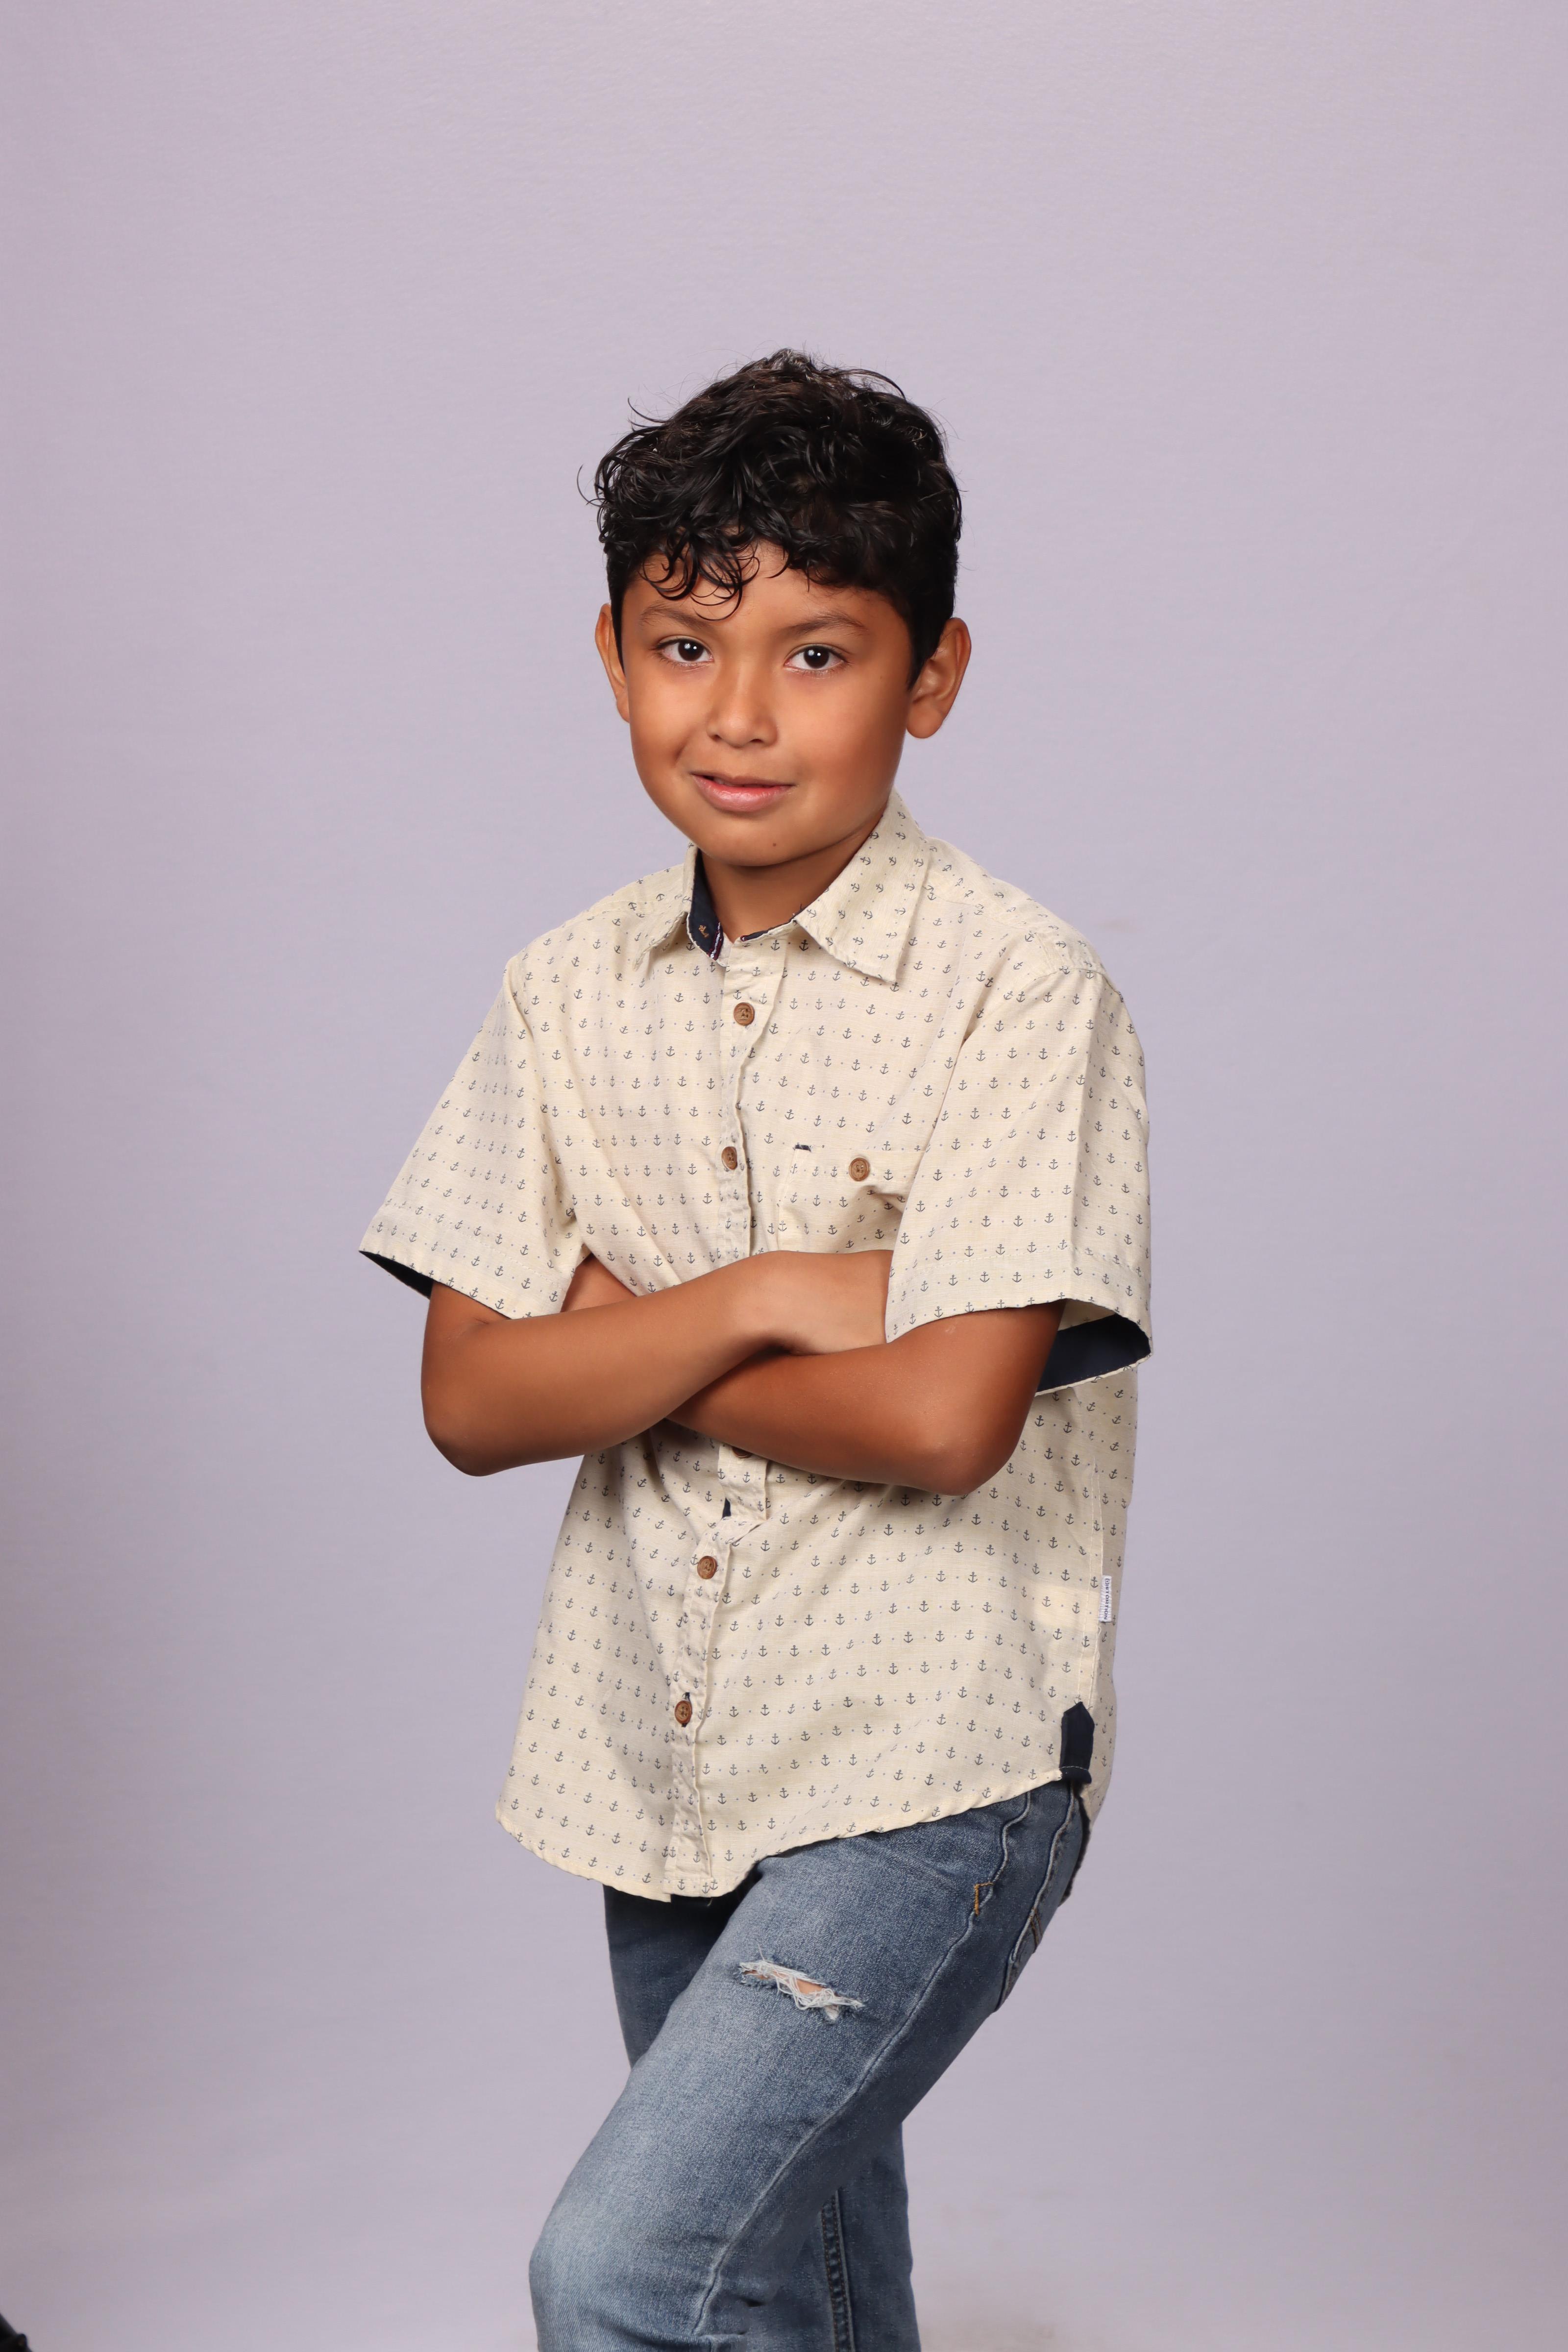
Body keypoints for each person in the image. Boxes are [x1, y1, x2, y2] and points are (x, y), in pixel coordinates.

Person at [362, 350, 1152, 2351]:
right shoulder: (561, 994)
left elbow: (946, 1416)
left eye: (815, 654)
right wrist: (767, 1291)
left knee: (631, 2271)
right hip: (667, 1751)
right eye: (683, 645)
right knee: (789, 2293)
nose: (736, 713)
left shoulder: (1018, 990)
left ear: (930, 675)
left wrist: (618, 1338)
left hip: (934, 1768)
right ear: (612, 656)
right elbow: (470, 1398)